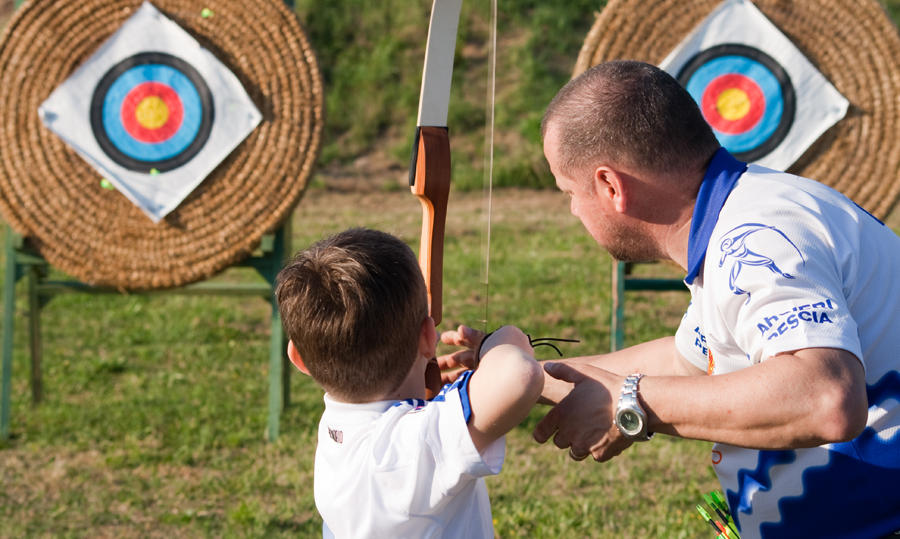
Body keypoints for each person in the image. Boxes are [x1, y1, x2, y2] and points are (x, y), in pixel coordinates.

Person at [443, 60, 900, 538]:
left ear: (610, 186)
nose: (574, 209)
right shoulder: (740, 217)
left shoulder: (755, 235)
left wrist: (631, 403)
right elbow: (686, 362)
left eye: (569, 193)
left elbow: (827, 397)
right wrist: (512, 379)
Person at [275, 227, 543, 539]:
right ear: (430, 337)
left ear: (299, 359)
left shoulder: (337, 430)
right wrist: (501, 341)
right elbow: (518, 375)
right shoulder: (410, 447)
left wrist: (442, 400)